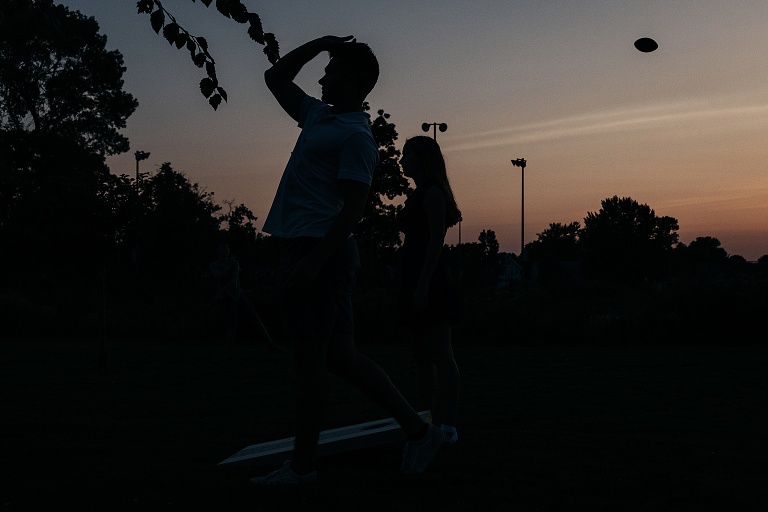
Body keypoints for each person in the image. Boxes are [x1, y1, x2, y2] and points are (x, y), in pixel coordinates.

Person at [250, 35, 447, 485]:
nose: (322, 76)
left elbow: (354, 209)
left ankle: (302, 467)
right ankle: (420, 432)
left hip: (318, 249)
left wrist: (314, 262)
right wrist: (322, 44)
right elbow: (275, 77)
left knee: (310, 367)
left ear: (354, 81)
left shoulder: (357, 137)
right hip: (314, 249)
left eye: (332, 70)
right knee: (341, 358)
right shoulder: (319, 116)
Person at [396, 135, 462, 444]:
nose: (402, 159)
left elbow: (436, 240)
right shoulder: (419, 193)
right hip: (414, 278)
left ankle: (448, 426)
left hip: (430, 281)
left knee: (440, 354)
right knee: (421, 356)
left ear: (422, 159)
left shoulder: (433, 193)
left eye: (407, 154)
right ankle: (425, 421)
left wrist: (423, 283)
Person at [209, 241, 282, 355]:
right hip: (228, 298)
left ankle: (270, 343)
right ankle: (228, 352)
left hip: (239, 295)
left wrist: (220, 293)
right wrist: (229, 266)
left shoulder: (235, 263)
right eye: (224, 247)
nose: (227, 249)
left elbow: (233, 280)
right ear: (217, 250)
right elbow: (219, 276)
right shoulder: (214, 265)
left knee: (254, 318)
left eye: (227, 247)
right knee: (232, 324)